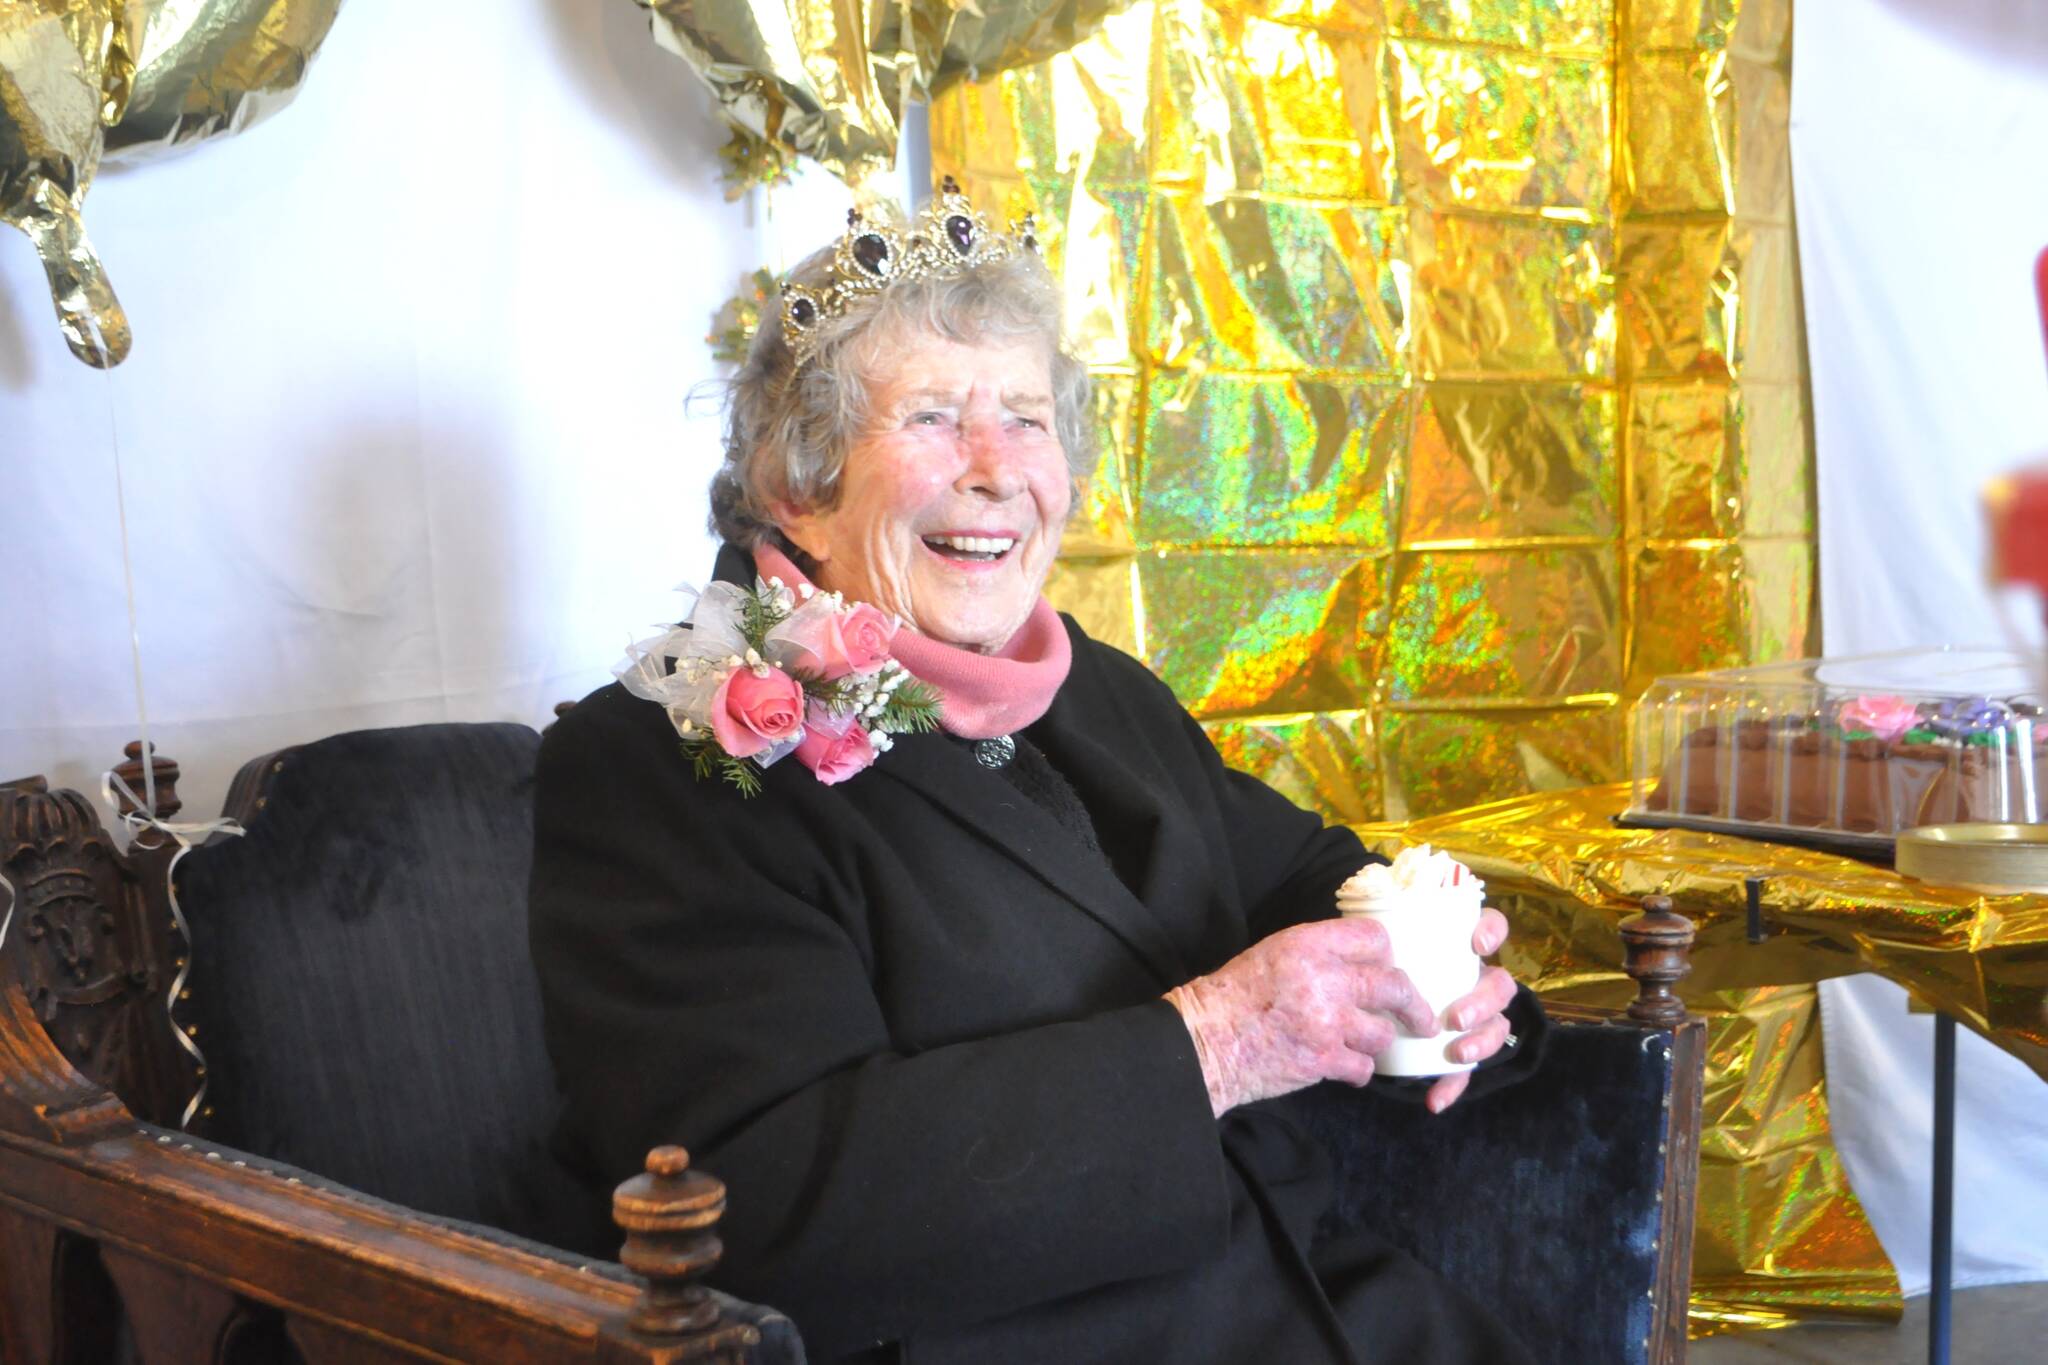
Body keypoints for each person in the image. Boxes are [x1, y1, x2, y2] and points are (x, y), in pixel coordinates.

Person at [528, 182, 1547, 1365]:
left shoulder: (1095, 689)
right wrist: (1219, 1042)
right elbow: (762, 1203)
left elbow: (1304, 874)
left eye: (1023, 417)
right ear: (795, 486)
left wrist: (1433, 980)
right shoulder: (666, 757)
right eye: (930, 420)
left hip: (1308, 1303)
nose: (995, 469)